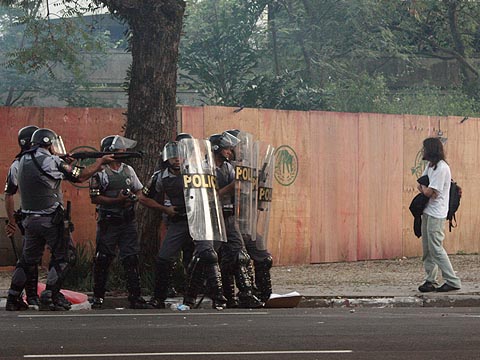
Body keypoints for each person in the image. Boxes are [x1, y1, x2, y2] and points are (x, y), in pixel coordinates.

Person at [6, 128, 114, 311]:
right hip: (50, 219)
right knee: (65, 256)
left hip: (30, 220)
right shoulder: (51, 161)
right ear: (48, 143)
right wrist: (99, 163)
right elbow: (79, 177)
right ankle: (50, 294)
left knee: (27, 261)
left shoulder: (20, 161)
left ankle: (13, 297)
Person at [145, 134, 227, 310]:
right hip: (178, 220)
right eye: (173, 156)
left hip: (198, 218)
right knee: (164, 258)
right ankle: (158, 297)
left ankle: (218, 297)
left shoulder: (198, 170)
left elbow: (213, 192)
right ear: (166, 157)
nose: (177, 159)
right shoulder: (160, 177)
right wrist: (164, 209)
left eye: (180, 155)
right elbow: (143, 197)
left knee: (208, 254)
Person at [89, 135, 167, 309]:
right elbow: (94, 198)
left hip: (127, 220)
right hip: (109, 221)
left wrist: (132, 198)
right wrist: (116, 200)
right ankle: (98, 296)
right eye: (119, 149)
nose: (123, 152)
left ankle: (135, 296)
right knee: (103, 258)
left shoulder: (128, 170)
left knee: (131, 258)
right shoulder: (100, 172)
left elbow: (139, 191)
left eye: (123, 149)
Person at [209, 132, 263, 308]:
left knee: (239, 253)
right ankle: (215, 295)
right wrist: (229, 188)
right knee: (209, 256)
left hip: (229, 215)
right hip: (211, 217)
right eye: (225, 148)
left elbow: (238, 187)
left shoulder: (228, 167)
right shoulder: (205, 167)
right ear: (216, 148)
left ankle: (246, 293)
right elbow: (207, 195)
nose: (229, 151)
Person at [417, 137, 461, 293]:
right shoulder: (431, 166)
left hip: (437, 213)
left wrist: (423, 186)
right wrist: (423, 186)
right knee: (428, 249)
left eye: (425, 148)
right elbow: (421, 185)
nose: (423, 151)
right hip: (428, 211)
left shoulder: (442, 168)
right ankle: (431, 280)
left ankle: (452, 280)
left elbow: (429, 192)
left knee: (436, 248)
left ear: (431, 150)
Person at [4, 125, 39, 309]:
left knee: (32, 257)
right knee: (28, 258)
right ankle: (28, 295)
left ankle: (29, 295)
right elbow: (9, 194)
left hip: (43, 215)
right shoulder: (19, 165)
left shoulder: (42, 161)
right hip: (29, 216)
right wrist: (11, 221)